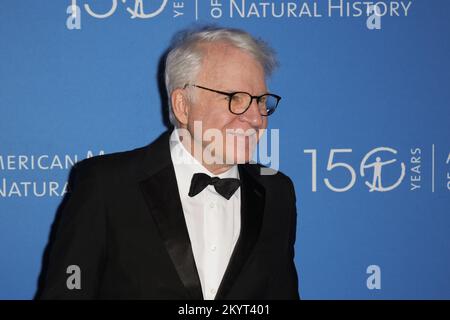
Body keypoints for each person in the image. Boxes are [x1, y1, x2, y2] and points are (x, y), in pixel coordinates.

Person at [37, 26, 299, 300]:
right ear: (182, 105)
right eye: (236, 99)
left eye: (260, 102)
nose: (257, 119)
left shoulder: (276, 191)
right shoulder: (107, 186)